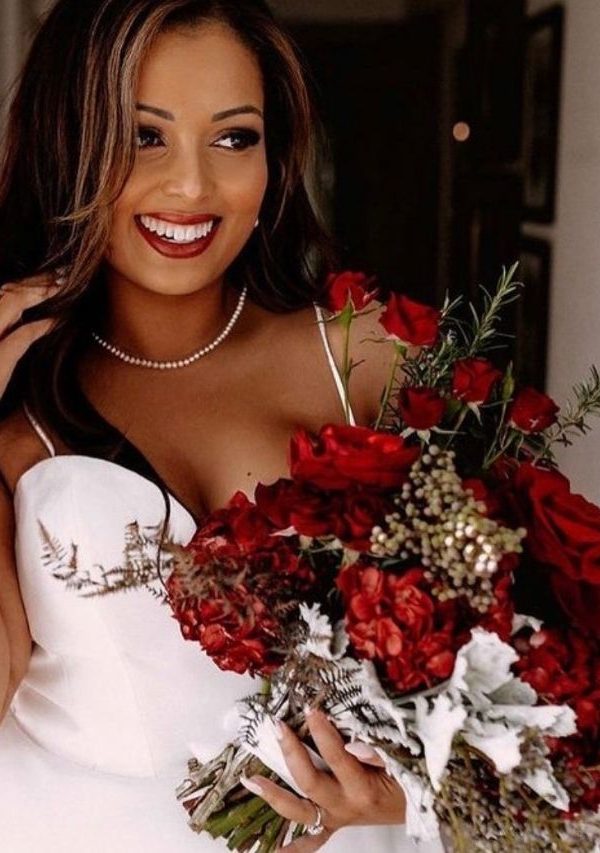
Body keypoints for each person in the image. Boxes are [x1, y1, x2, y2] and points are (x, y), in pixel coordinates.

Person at [0, 1, 443, 851]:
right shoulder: (14, 407)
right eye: (145, 135)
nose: (193, 187)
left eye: (235, 138)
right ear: (70, 143)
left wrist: (407, 791)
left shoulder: (372, 355)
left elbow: (517, 666)